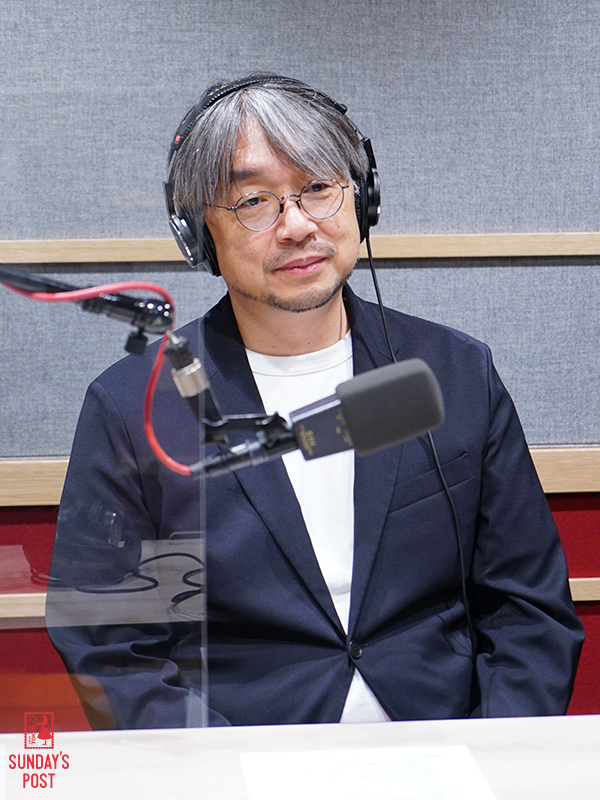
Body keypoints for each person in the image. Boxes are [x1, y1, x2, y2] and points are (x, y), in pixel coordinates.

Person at [48, 73, 584, 729]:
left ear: (364, 199)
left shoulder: (453, 372)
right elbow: (113, 649)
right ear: (198, 232)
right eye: (253, 201)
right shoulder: (137, 409)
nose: (297, 225)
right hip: (238, 760)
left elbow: (529, 610)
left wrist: (493, 756)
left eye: (319, 188)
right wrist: (218, 770)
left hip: (446, 750)